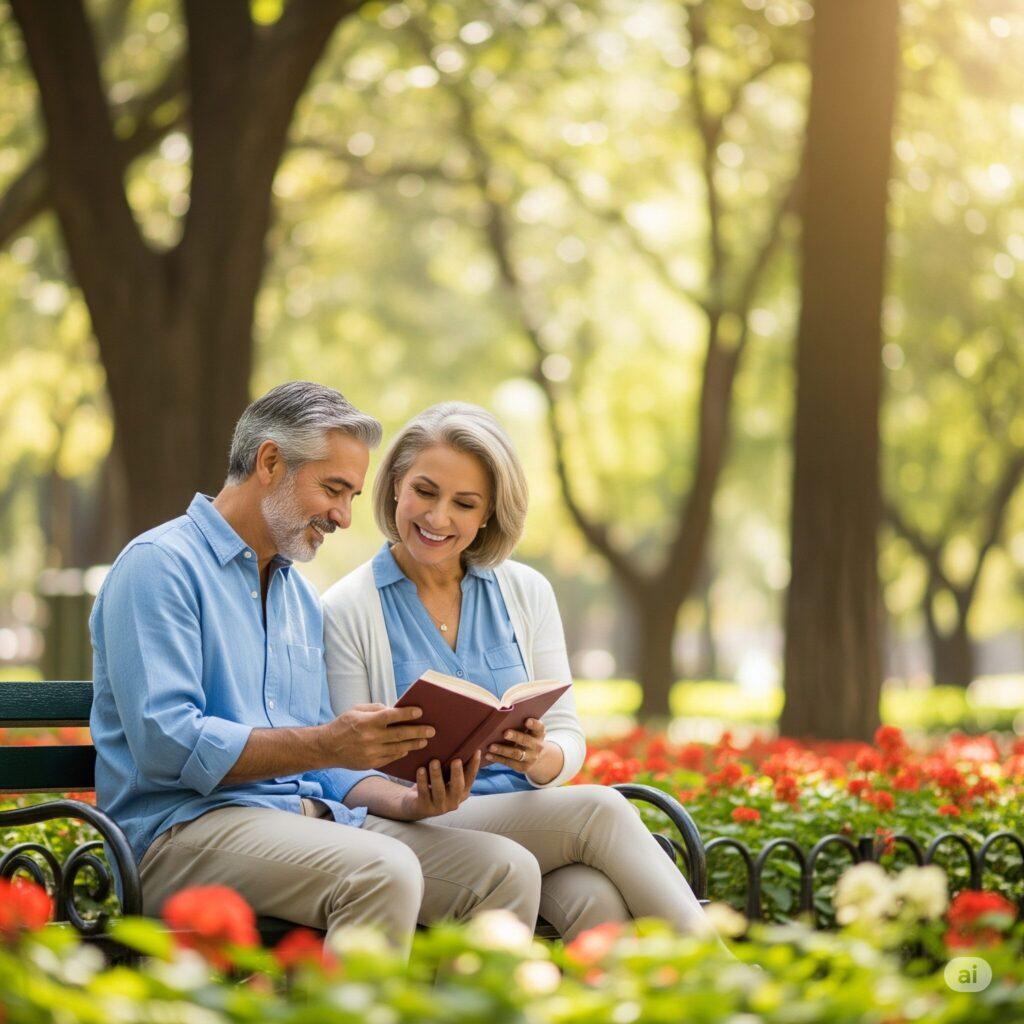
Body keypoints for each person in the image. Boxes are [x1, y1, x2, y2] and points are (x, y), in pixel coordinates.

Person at [89, 382, 543, 952]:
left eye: (352, 495)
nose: (345, 516)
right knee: (382, 870)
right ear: (271, 462)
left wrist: (409, 802)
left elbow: (329, 764)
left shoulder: (298, 600)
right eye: (333, 489)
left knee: (504, 871)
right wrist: (327, 744)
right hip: (178, 836)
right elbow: (167, 744)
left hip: (302, 821)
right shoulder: (160, 568)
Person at [322, 402, 721, 943]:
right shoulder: (347, 609)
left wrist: (541, 757)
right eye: (425, 491)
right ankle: (729, 978)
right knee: (602, 809)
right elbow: (343, 774)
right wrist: (413, 800)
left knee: (596, 902)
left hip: (526, 820)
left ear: (487, 514)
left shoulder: (526, 592)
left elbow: (567, 735)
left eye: (464, 503)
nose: (438, 518)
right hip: (419, 822)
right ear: (395, 485)